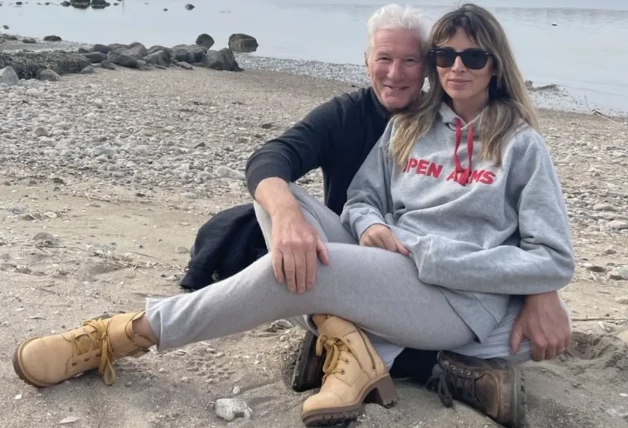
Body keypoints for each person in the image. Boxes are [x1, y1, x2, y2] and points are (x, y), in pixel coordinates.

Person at [11, 4, 575, 428]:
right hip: (385, 261)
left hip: (450, 295)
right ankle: (354, 349)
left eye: (471, 56)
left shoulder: (521, 146)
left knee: (299, 271)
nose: (456, 67)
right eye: (445, 55)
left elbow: (552, 257)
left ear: (495, 64)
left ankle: (122, 335)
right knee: (278, 202)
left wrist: (436, 256)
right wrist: (368, 227)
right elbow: (359, 199)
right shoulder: (411, 128)